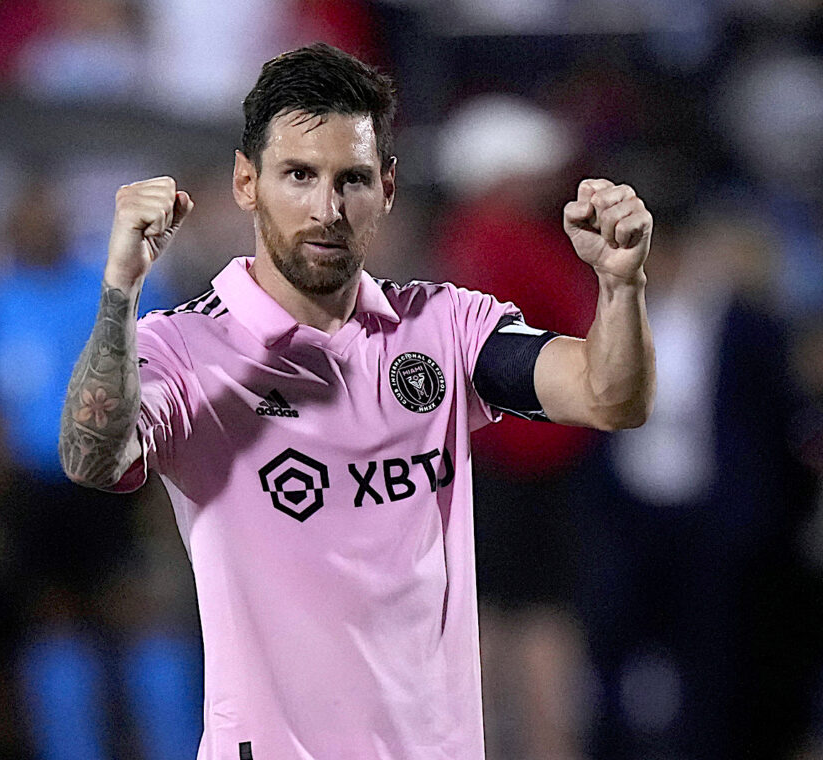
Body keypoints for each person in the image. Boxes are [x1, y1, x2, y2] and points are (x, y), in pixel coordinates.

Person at [58, 42, 655, 759]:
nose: (327, 208)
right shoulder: (186, 349)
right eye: (299, 176)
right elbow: (93, 455)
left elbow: (605, 395)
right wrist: (121, 287)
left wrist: (621, 286)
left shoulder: (443, 329)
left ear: (388, 188)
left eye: (353, 179)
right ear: (247, 183)